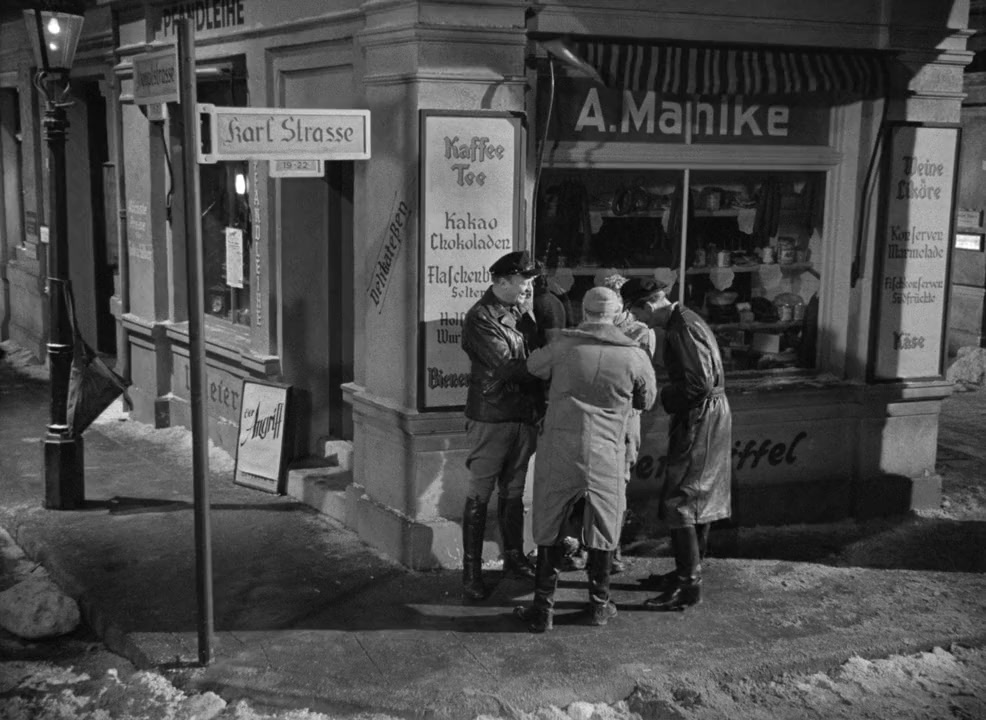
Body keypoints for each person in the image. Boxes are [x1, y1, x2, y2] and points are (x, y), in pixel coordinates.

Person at [513, 287, 657, 632]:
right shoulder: (634, 355)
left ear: (584, 313)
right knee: (605, 524)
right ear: (616, 314)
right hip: (607, 451)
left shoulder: (564, 347)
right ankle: (598, 605)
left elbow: (532, 366)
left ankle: (542, 610)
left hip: (561, 449)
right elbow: (647, 400)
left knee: (549, 522)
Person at [620, 277, 732, 611]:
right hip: (707, 414)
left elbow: (698, 384)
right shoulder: (686, 320)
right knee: (696, 497)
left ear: (648, 304)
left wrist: (661, 397)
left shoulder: (682, 327)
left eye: (637, 313)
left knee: (682, 498)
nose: (640, 320)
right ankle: (687, 572)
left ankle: (688, 584)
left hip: (700, 416)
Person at [460, 250, 543, 604]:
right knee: (480, 492)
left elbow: (532, 355)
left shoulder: (521, 313)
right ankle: (472, 572)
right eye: (523, 282)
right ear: (502, 281)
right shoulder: (480, 317)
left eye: (530, 282)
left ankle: (514, 556)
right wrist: (554, 363)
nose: (528, 288)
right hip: (492, 415)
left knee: (514, 490)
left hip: (522, 415)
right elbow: (508, 366)